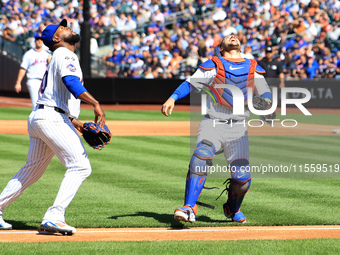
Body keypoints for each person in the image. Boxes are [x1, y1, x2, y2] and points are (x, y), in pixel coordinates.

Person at [0, 19, 106, 234]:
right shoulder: (65, 54)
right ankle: (54, 216)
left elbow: (56, 96)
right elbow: (72, 82)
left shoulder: (57, 56)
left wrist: (74, 122)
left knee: (32, 171)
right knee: (80, 166)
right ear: (56, 39)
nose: (68, 27)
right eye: (62, 28)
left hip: (43, 116)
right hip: (51, 119)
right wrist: (95, 103)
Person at [161, 35, 273, 223]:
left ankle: (232, 208)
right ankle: (189, 207)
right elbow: (191, 82)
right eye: (227, 37)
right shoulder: (214, 64)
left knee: (243, 178)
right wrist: (173, 97)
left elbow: (265, 92)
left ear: (240, 44)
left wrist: (268, 105)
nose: (232, 36)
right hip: (213, 121)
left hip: (238, 127)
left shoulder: (253, 66)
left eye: (235, 36)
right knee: (201, 156)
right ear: (221, 48)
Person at [14, 33, 50, 109]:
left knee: (46, 105)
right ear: (35, 40)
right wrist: (18, 83)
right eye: (37, 39)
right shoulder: (29, 54)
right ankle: (35, 120)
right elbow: (23, 68)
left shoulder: (46, 54)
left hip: (44, 82)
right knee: (36, 104)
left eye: (41, 39)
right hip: (33, 81)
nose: (39, 41)